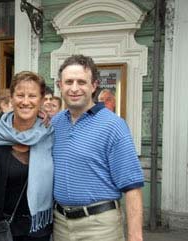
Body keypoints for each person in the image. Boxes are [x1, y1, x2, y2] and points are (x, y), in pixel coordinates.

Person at [51, 54, 144, 241]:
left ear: (93, 86)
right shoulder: (55, 123)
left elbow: (132, 186)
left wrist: (135, 236)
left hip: (100, 227)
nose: (74, 88)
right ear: (60, 86)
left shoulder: (113, 125)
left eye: (81, 82)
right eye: (68, 82)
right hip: (60, 223)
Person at [0, 71, 54, 241]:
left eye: (32, 96)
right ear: (12, 98)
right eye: (20, 95)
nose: (26, 101)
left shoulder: (51, 135)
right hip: (0, 230)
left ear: (42, 100)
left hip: (38, 230)